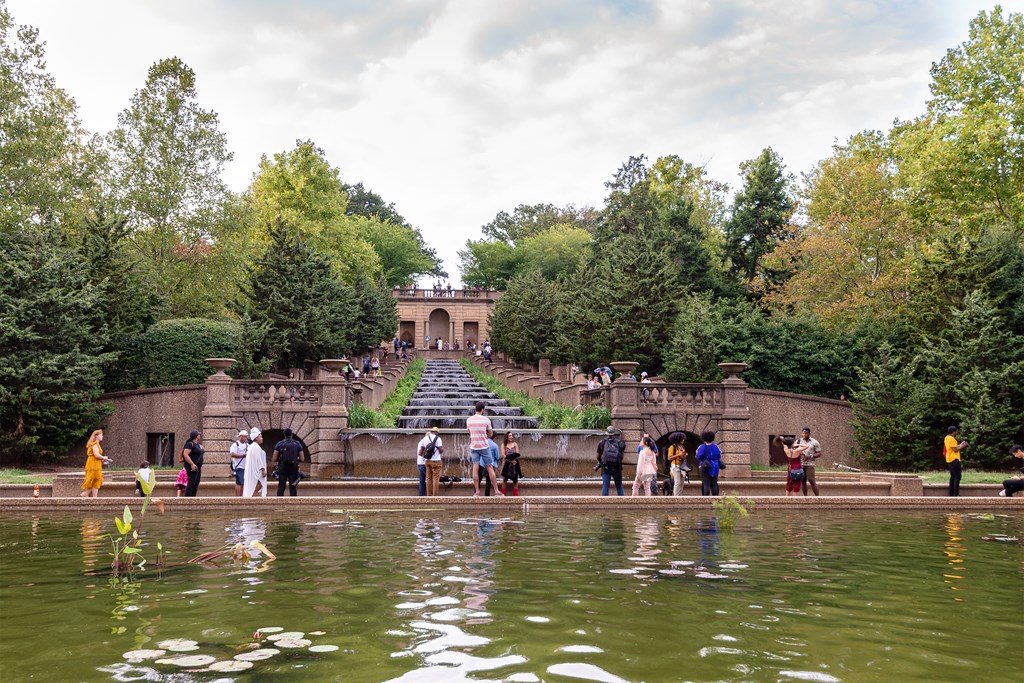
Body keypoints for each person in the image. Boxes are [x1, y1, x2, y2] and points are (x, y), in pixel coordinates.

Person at [467, 402, 503, 496]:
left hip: (474, 446)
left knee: (475, 468)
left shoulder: (469, 420)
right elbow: (491, 434)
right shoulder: (486, 419)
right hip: (484, 446)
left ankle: (477, 491)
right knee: (490, 467)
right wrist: (485, 433)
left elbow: (469, 432)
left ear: (475, 409)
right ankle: (496, 491)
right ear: (482, 410)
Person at [272, 428, 305, 497]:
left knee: (281, 486)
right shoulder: (297, 443)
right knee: (293, 486)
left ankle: (279, 504)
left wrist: (282, 459)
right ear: (291, 434)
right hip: (293, 467)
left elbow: (274, 458)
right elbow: (302, 459)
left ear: (284, 435)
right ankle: (293, 505)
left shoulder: (280, 443)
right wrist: (295, 459)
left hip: (282, 467)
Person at [80, 429, 111, 498]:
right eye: (101, 435)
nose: (102, 436)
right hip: (93, 464)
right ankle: (86, 494)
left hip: (96, 463)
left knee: (97, 479)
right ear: (96, 436)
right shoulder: (94, 444)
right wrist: (104, 457)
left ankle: (94, 497)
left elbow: (97, 456)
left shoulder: (97, 444)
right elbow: (96, 455)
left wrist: (103, 460)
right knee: (94, 479)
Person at [597, 426, 626, 496]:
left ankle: (604, 504)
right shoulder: (619, 443)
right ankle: (622, 503)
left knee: (605, 487)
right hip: (617, 468)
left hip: (606, 467)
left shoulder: (602, 442)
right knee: (619, 486)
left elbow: (598, 456)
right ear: (614, 433)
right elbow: (621, 456)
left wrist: (601, 462)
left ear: (606, 433)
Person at [795, 427, 822, 496]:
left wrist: (811, 456)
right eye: (803, 433)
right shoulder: (799, 441)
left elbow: (819, 453)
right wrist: (799, 452)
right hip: (801, 464)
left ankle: (817, 497)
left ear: (809, 433)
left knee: (811, 480)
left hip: (810, 464)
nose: (804, 434)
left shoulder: (814, 442)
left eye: (806, 433)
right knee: (803, 481)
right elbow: (793, 449)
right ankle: (805, 497)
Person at [417, 427, 444, 496]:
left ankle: (429, 496)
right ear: (437, 432)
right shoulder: (438, 439)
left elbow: (420, 452)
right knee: (435, 479)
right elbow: (441, 451)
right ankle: (435, 496)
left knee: (428, 479)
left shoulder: (424, 439)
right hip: (436, 461)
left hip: (427, 461)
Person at [695, 430, 722, 496]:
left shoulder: (701, 447)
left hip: (705, 466)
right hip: (715, 466)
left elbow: (698, 456)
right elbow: (719, 455)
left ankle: (705, 499)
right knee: (714, 484)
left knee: (706, 484)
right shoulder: (716, 447)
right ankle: (715, 499)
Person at [944, 426, 968, 497]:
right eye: (956, 431)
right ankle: (956, 494)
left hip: (949, 459)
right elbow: (955, 449)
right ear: (953, 432)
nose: (957, 432)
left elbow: (954, 447)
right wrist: (963, 446)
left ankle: (951, 493)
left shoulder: (946, 438)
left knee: (953, 476)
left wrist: (960, 445)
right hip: (955, 459)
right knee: (957, 476)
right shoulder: (952, 439)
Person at [243, 427, 267, 497]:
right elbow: (258, 459)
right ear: (256, 438)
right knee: (256, 488)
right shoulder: (255, 447)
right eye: (260, 436)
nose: (262, 438)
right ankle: (253, 503)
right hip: (256, 472)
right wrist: (263, 469)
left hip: (254, 470)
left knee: (255, 487)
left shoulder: (252, 446)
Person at [181, 429, 204, 497]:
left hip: (198, 466)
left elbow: (200, 452)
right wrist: (192, 464)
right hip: (192, 466)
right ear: (196, 436)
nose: (200, 435)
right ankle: (187, 499)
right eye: (199, 434)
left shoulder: (197, 445)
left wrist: (201, 448)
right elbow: (185, 454)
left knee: (196, 482)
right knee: (191, 482)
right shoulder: (190, 444)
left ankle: (193, 498)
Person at [500, 432, 522, 496]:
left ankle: (516, 495)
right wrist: (510, 461)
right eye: (509, 435)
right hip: (506, 463)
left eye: (512, 435)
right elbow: (503, 455)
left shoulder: (515, 444)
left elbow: (517, 454)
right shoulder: (503, 445)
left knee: (515, 480)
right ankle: (503, 494)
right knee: (505, 479)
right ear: (506, 437)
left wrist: (513, 460)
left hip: (515, 463)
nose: (511, 437)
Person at [667, 432, 689, 496]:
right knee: (677, 482)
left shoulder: (682, 447)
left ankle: (680, 496)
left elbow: (682, 456)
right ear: (678, 439)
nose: (683, 440)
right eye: (682, 439)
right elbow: (669, 458)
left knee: (682, 483)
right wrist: (678, 454)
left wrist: (684, 455)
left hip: (682, 466)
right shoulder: (672, 447)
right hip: (675, 466)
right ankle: (676, 497)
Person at [229, 429, 249, 496]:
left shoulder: (247, 445)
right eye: (245, 436)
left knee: (243, 482)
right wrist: (243, 455)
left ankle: (242, 496)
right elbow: (232, 454)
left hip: (246, 466)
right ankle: (237, 497)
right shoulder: (235, 445)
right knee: (239, 482)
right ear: (241, 436)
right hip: (239, 466)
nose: (246, 438)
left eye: (246, 436)